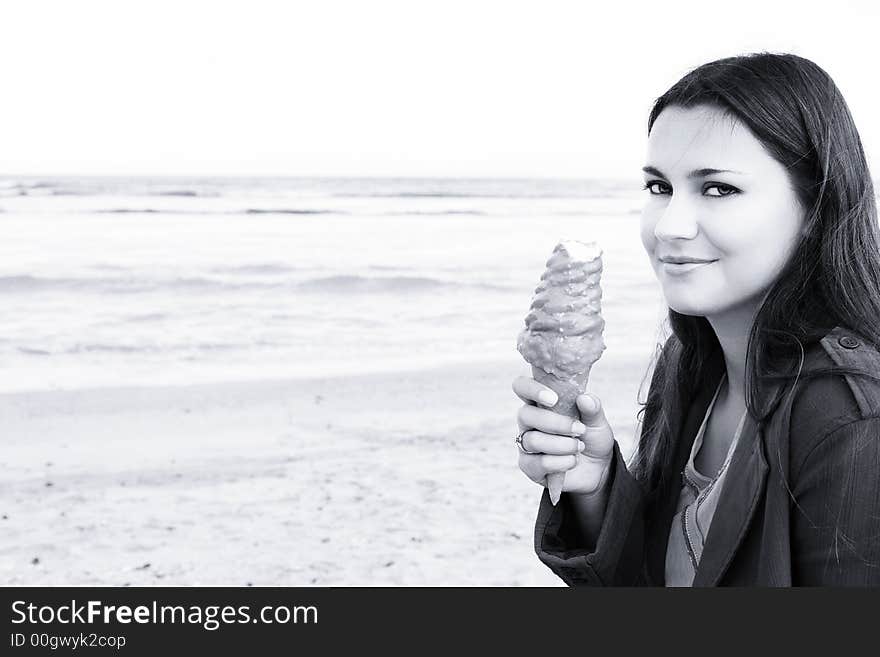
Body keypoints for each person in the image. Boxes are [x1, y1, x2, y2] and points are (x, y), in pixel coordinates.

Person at [513, 52, 880, 586]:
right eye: (660, 187)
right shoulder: (689, 368)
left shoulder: (851, 416)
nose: (670, 226)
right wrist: (596, 492)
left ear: (814, 208)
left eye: (718, 189)